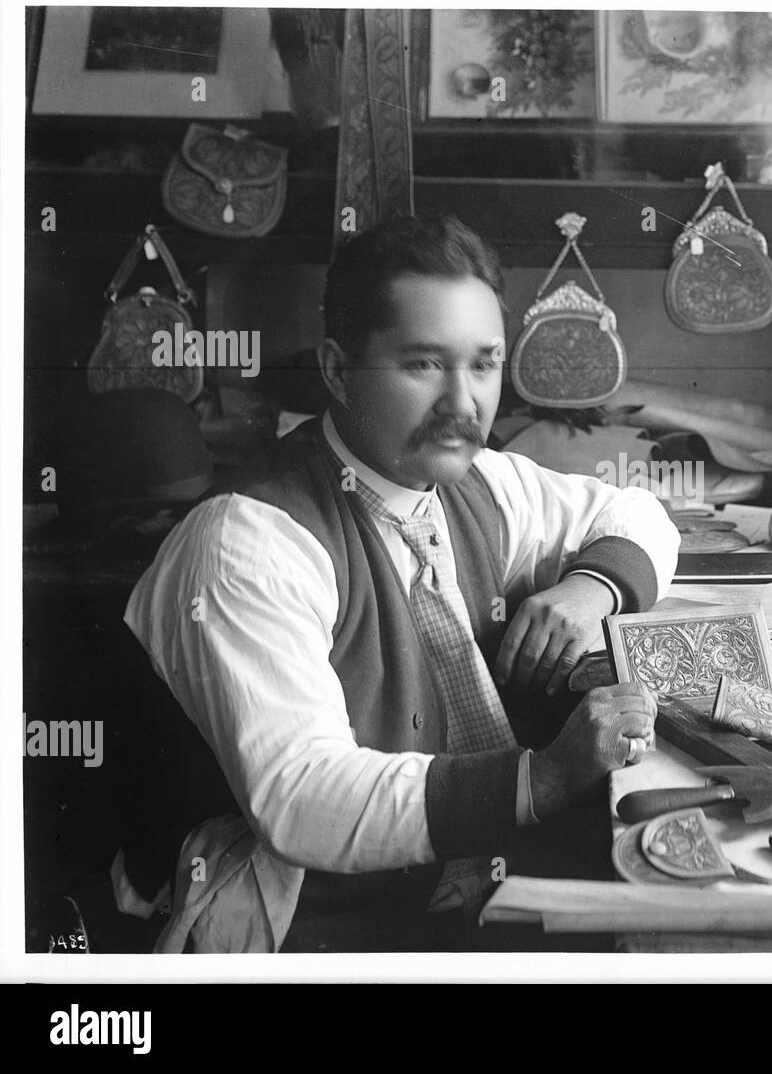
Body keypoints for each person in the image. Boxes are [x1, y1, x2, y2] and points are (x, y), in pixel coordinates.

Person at [124, 214, 679, 952]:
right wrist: (540, 780)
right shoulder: (248, 539)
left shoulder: (474, 480)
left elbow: (639, 512)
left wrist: (595, 587)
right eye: (423, 364)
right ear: (335, 368)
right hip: (321, 933)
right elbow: (302, 796)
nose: (463, 401)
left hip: (468, 891)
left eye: (483, 363)